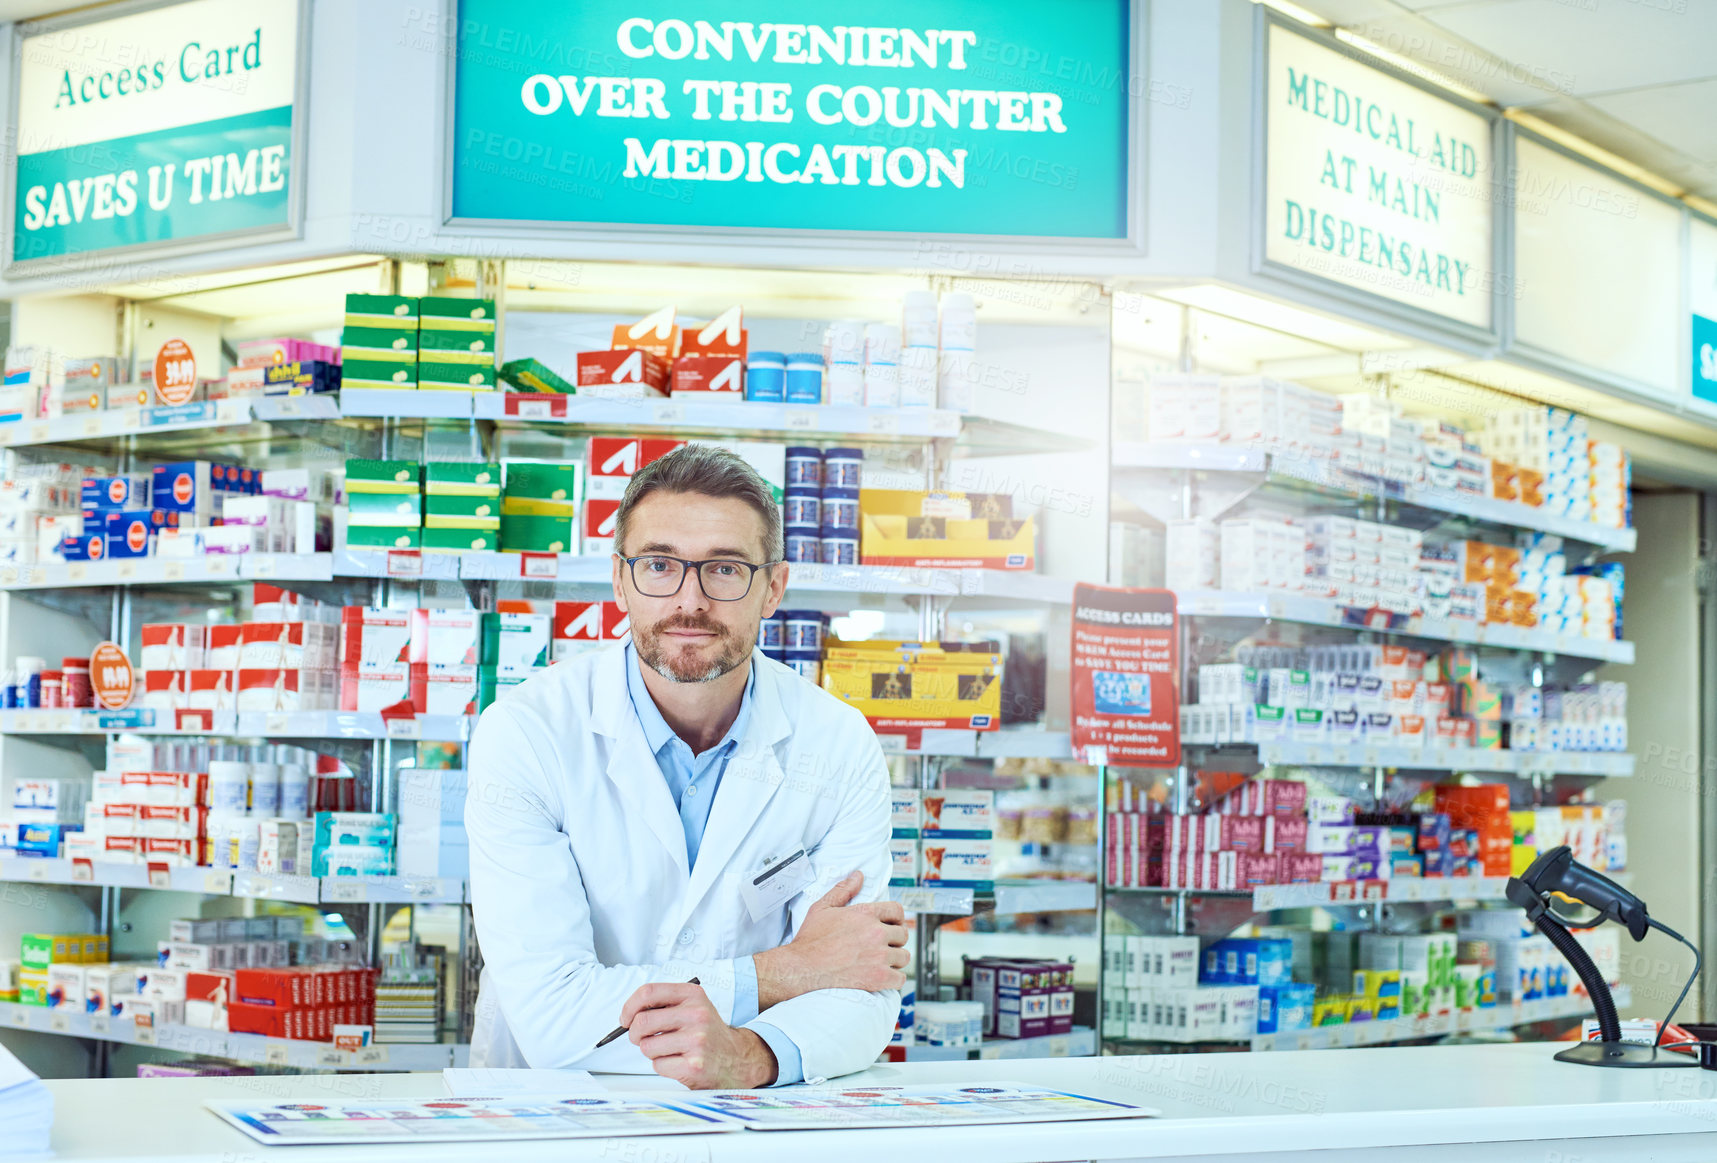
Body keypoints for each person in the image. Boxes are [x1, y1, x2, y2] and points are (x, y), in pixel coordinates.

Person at [465, 443, 907, 1087]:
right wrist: (783, 972)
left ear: (773, 588)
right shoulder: (529, 733)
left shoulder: (838, 743)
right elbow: (553, 1012)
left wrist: (753, 1057)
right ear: (620, 580)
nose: (690, 600)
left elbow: (863, 983)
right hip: (556, 1110)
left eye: (725, 569)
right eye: (659, 565)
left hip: (754, 1113)